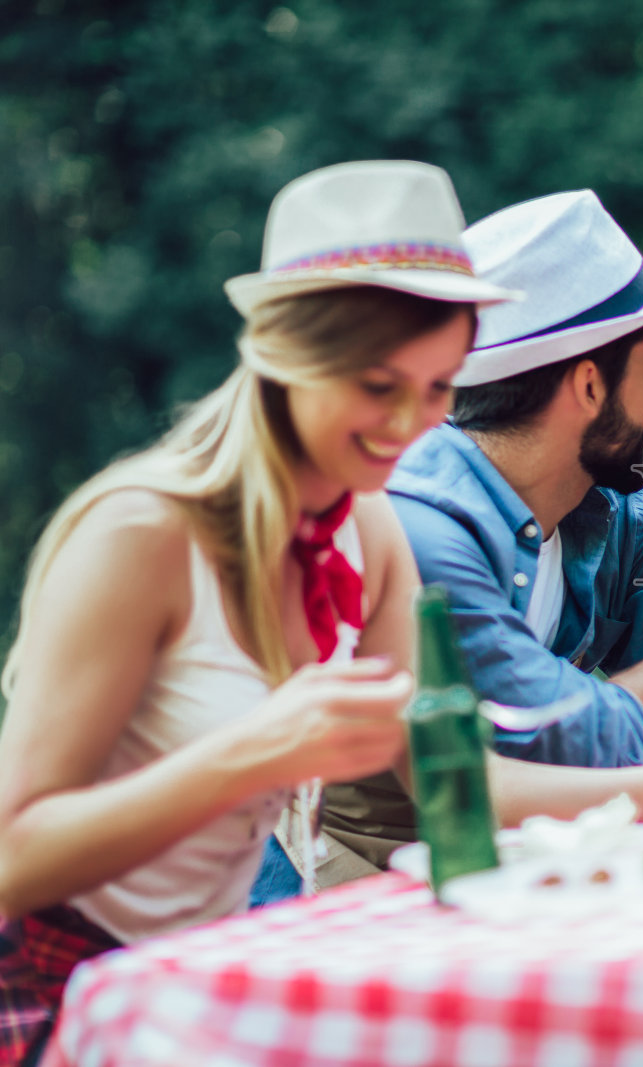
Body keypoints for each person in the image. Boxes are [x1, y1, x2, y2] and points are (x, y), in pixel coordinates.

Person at [0, 160, 513, 1066]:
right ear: (285, 358)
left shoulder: (371, 527)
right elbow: (14, 860)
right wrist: (258, 750)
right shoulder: (140, 533)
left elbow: (456, 779)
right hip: (57, 987)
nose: (414, 424)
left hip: (201, 978)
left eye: (439, 387)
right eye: (377, 384)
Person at [253, 190, 643, 899]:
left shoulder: (616, 498)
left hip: (532, 875)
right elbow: (610, 745)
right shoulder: (418, 528)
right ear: (589, 384)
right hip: (355, 890)